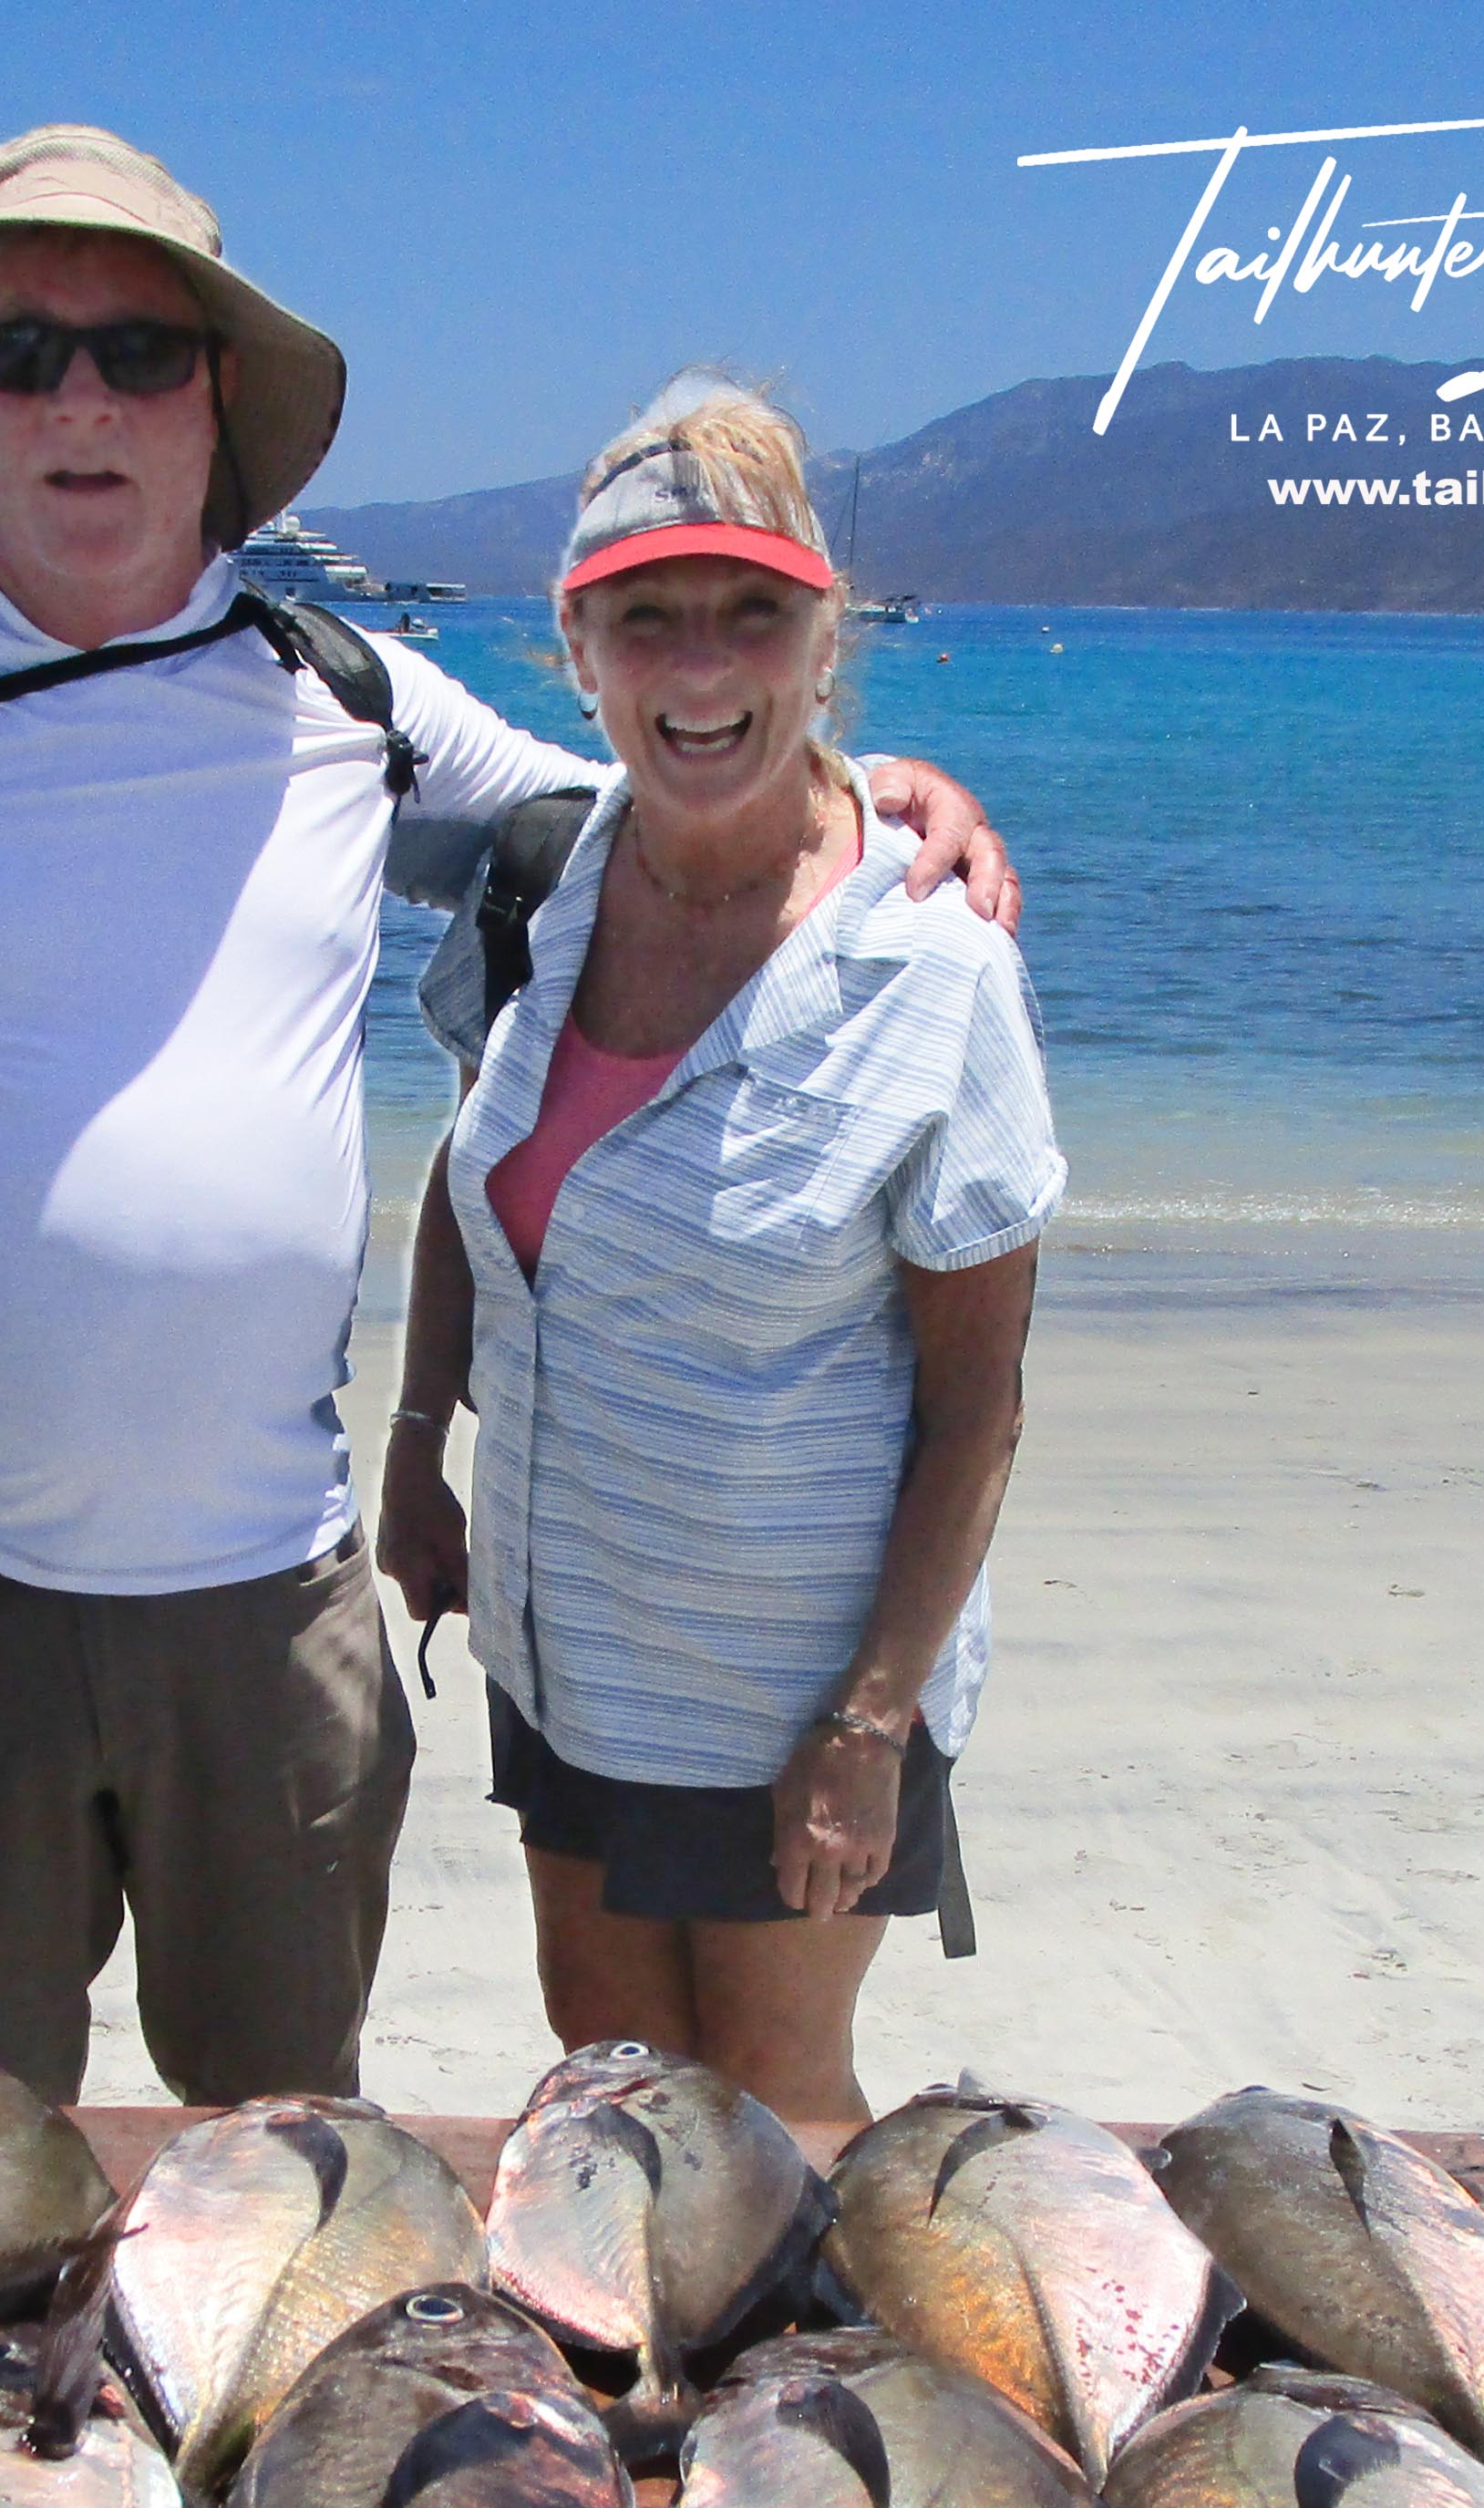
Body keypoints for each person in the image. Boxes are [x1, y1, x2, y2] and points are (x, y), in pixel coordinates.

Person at [0, 126, 1011, 2109]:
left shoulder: (347, 698)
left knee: (282, 2177)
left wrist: (882, 802)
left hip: (271, 1616)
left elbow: (666, 796)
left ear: (216, 400)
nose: (79, 402)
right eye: (18, 351)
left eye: (136, 351)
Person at [379, 378, 1061, 2127]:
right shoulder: (546, 880)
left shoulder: (933, 965)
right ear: (577, 652)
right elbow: (476, 1167)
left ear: (825, 644)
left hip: (790, 1689)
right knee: (612, 2086)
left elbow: (976, 1411)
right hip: (560, 1639)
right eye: (647, 619)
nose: (699, 668)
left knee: (771, 2101)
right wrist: (415, 1445)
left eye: (751, 613)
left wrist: (871, 1726)